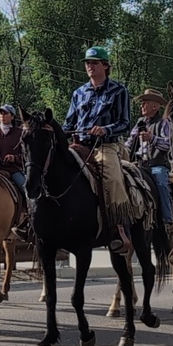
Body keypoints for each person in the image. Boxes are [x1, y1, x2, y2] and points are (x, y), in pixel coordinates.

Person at [62, 45, 135, 254]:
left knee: (112, 178)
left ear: (105, 65)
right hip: (79, 144)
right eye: (87, 63)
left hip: (106, 146)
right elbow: (69, 123)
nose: (90, 67)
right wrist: (59, 133)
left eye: (94, 63)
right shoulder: (78, 93)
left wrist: (105, 129)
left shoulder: (119, 91)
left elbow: (124, 123)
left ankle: (119, 229)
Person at [126, 89, 173, 235]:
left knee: (160, 182)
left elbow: (169, 144)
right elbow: (130, 141)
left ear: (155, 106)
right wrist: (122, 149)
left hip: (157, 164)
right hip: (138, 164)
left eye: (145, 102)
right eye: (142, 103)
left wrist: (152, 138)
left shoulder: (164, 123)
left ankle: (167, 219)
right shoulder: (140, 123)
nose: (142, 105)